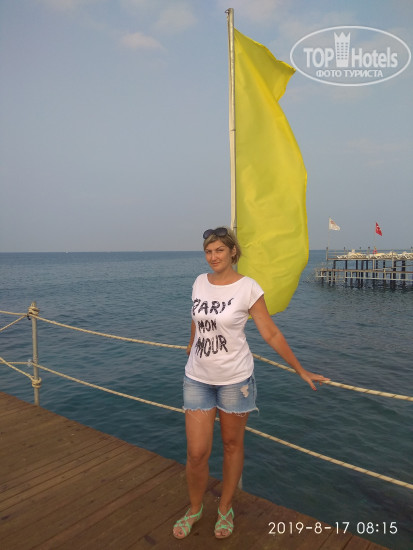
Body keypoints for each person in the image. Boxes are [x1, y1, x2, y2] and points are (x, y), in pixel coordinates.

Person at [172, 226, 329, 540]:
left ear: (233, 252)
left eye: (219, 250)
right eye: (208, 251)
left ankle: (225, 508)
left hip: (235, 381)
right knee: (196, 452)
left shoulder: (248, 288)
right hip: (197, 378)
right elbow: (197, 318)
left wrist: (299, 369)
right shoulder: (199, 282)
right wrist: (191, 342)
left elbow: (270, 332)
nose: (213, 256)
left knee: (232, 446)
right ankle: (195, 508)